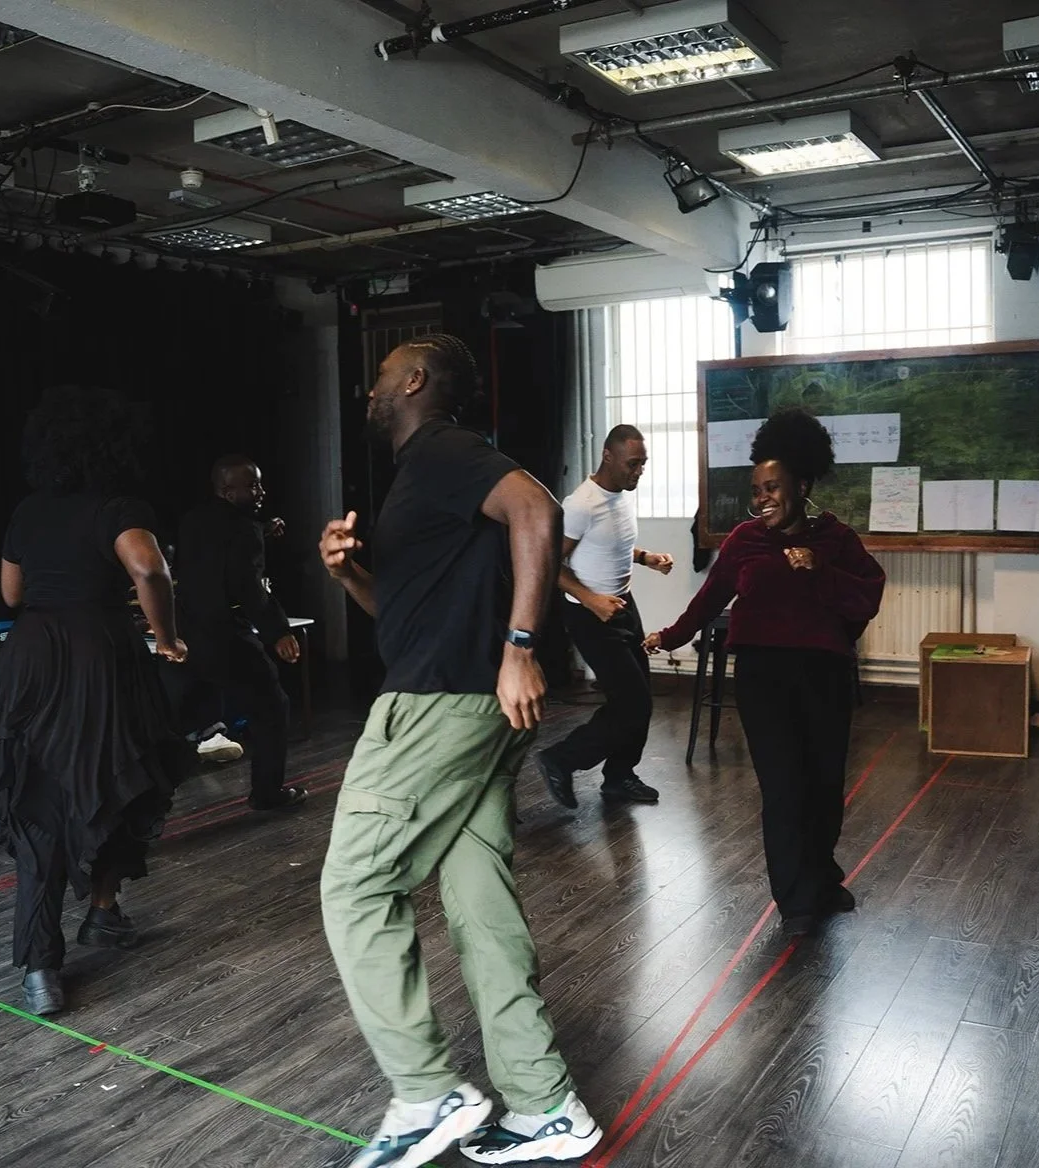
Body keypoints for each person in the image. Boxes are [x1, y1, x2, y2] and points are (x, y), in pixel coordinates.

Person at [318, 333, 602, 1168]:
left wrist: (521, 645)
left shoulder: (442, 453)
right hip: (469, 704)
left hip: (440, 709)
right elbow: (408, 623)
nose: (368, 393)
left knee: (356, 884)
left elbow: (537, 511)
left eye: (377, 379)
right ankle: (543, 1103)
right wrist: (348, 576)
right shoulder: (423, 479)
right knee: (479, 904)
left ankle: (425, 1090)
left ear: (412, 381)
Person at [0, 386, 189, 1017]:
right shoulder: (118, 506)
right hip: (97, 655)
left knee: (44, 800)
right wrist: (166, 637)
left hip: (31, 656)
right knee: (120, 780)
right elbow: (149, 568)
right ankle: (71, 936)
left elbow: (10, 594)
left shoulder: (28, 510)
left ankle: (65, 946)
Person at [645, 408, 885, 937]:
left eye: (772, 488)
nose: (762, 500)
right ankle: (795, 901)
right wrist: (671, 636)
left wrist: (820, 571)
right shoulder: (744, 541)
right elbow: (708, 601)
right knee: (783, 788)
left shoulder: (835, 541)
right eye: (756, 491)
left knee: (824, 786)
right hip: (762, 678)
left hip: (823, 676)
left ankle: (822, 879)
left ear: (802, 484)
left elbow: (866, 597)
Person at [537, 423, 673, 809]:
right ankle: (560, 759)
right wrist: (591, 599)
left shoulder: (619, 496)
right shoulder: (581, 504)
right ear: (608, 457)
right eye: (632, 464)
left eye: (643, 464)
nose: (638, 472)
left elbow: (609, 545)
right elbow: (551, 562)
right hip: (590, 614)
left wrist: (646, 558)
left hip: (622, 606)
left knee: (639, 696)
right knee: (631, 703)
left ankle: (619, 776)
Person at [172, 455, 306, 811]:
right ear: (228, 492)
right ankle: (267, 793)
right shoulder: (244, 530)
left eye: (260, 483)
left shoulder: (193, 521)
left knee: (181, 710)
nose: (261, 491)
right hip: (226, 634)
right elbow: (249, 587)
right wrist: (278, 631)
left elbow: (217, 551)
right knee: (272, 707)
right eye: (252, 485)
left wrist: (262, 529)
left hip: (189, 631)